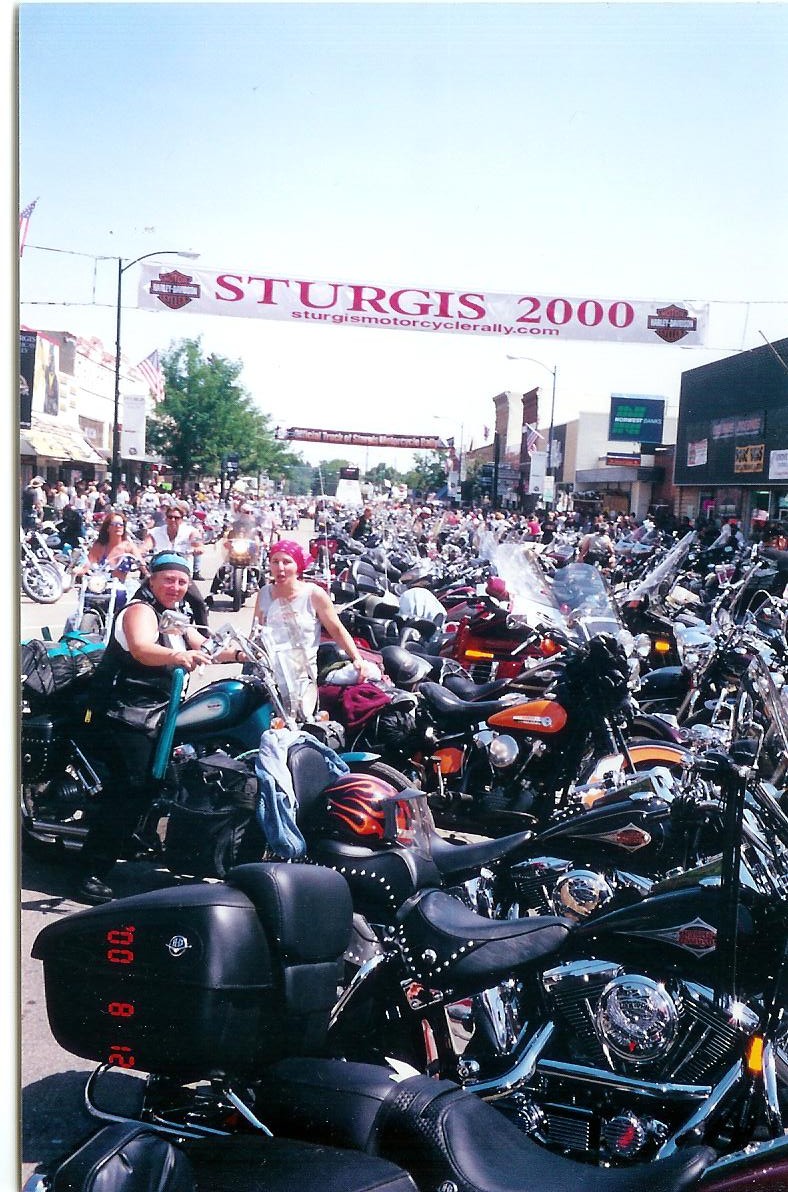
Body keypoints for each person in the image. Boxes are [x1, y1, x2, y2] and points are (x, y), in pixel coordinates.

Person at [75, 552, 246, 904]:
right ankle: (90, 870)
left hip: (158, 712)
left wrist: (242, 654)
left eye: (182, 581)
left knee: (173, 774)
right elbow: (141, 648)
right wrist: (175, 657)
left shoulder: (175, 616)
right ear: (151, 580)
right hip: (123, 710)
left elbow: (204, 648)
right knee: (134, 785)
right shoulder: (139, 610)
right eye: (169, 579)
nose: (176, 586)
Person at [252, 539, 376, 720]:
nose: (280, 567)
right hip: (269, 677)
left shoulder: (313, 594)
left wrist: (357, 659)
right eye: (275, 561)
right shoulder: (264, 593)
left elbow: (337, 630)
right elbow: (255, 634)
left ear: (298, 565)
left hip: (302, 679)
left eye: (287, 562)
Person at [144, 504, 209, 628]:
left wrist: (197, 548)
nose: (173, 520)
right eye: (170, 517)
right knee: (136, 599)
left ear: (182, 519)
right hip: (158, 574)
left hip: (181, 575)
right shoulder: (155, 532)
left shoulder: (190, 532)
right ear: (165, 518)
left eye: (177, 517)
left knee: (199, 602)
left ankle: (205, 636)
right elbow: (145, 546)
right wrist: (140, 552)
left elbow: (198, 544)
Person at [77, 511, 149, 583]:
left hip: (121, 588)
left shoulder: (129, 547)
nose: (118, 526)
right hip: (100, 586)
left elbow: (142, 565)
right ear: (108, 528)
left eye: (121, 524)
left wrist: (148, 575)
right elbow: (88, 565)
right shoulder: (99, 546)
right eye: (115, 524)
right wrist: (75, 572)